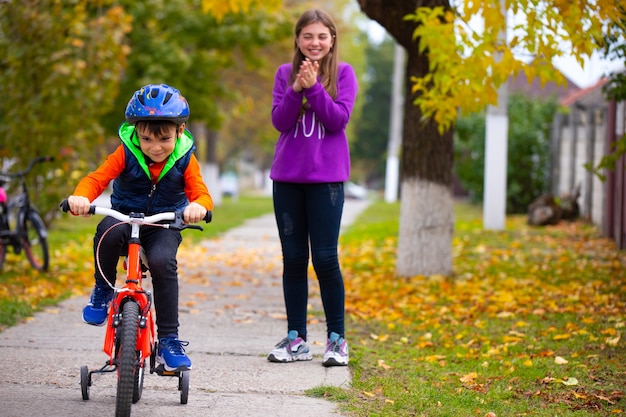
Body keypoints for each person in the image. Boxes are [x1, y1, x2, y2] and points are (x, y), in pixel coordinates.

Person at [66, 83, 213, 372]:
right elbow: (97, 179)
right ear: (136, 134)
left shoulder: (185, 158)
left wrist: (199, 206)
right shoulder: (126, 151)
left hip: (164, 224)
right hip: (124, 216)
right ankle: (103, 289)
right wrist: (81, 196)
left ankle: (169, 340)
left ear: (180, 131)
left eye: (164, 139)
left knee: (162, 262)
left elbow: (201, 193)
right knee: (108, 231)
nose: (155, 148)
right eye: (146, 139)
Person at [266, 9, 358, 367]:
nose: (314, 43)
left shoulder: (344, 73)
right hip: (287, 180)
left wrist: (314, 88)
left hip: (327, 182)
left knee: (324, 258)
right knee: (293, 260)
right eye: (308, 36)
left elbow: (337, 120)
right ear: (298, 40)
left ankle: (336, 340)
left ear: (332, 39)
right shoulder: (284, 74)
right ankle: (296, 339)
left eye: (321, 36)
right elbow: (280, 121)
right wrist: (296, 89)